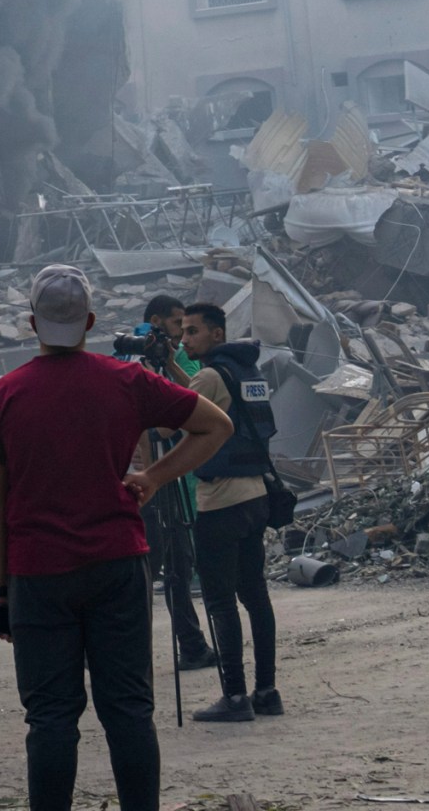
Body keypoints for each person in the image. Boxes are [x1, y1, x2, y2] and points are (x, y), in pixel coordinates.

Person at [0, 265, 233, 811]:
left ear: (31, 324)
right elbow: (216, 426)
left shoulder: (4, 396)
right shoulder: (127, 381)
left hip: (37, 571)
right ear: (91, 322)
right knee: (129, 710)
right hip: (117, 564)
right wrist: (155, 479)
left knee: (49, 718)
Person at [176, 302, 282, 723]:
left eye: (192, 332)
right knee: (255, 594)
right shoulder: (245, 372)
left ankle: (234, 696)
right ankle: (267, 691)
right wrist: (171, 365)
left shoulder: (209, 376)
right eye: (182, 333)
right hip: (256, 496)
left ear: (217, 334)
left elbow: (172, 420)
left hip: (220, 500)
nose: (185, 340)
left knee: (220, 600)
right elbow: (199, 397)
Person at [126, 294, 214, 672]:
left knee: (180, 559)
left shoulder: (169, 359)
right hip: (149, 480)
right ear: (158, 322)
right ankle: (131, 653)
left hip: (165, 476)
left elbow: (188, 397)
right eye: (179, 325)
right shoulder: (134, 359)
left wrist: (170, 362)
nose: (182, 334)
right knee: (149, 565)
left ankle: (192, 644)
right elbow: (144, 425)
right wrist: (148, 474)